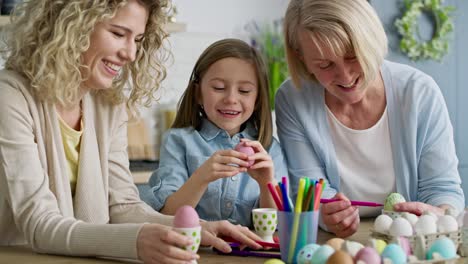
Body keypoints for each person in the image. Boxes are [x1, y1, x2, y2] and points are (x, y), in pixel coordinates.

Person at [0, 1, 263, 263]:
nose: (131, 53)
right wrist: (136, 241)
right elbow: (39, 224)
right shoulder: (11, 97)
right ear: (72, 26)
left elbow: (123, 207)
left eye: (137, 39)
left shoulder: (108, 105)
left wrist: (195, 229)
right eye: (118, 33)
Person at [276, 0, 465, 238]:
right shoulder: (293, 99)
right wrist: (326, 214)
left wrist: (437, 215)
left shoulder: (419, 92)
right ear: (301, 58)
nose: (345, 76)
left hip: (411, 240)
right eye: (325, 64)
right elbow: (311, 190)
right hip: (335, 242)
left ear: (371, 40)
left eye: (353, 56)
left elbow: (442, 190)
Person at [142, 38, 288, 227]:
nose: (231, 99)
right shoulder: (178, 141)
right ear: (198, 93)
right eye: (219, 88)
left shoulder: (269, 149)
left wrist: (267, 183)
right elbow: (167, 216)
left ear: (258, 98)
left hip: (248, 255)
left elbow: (277, 227)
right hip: (194, 252)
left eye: (244, 91)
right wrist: (201, 178)